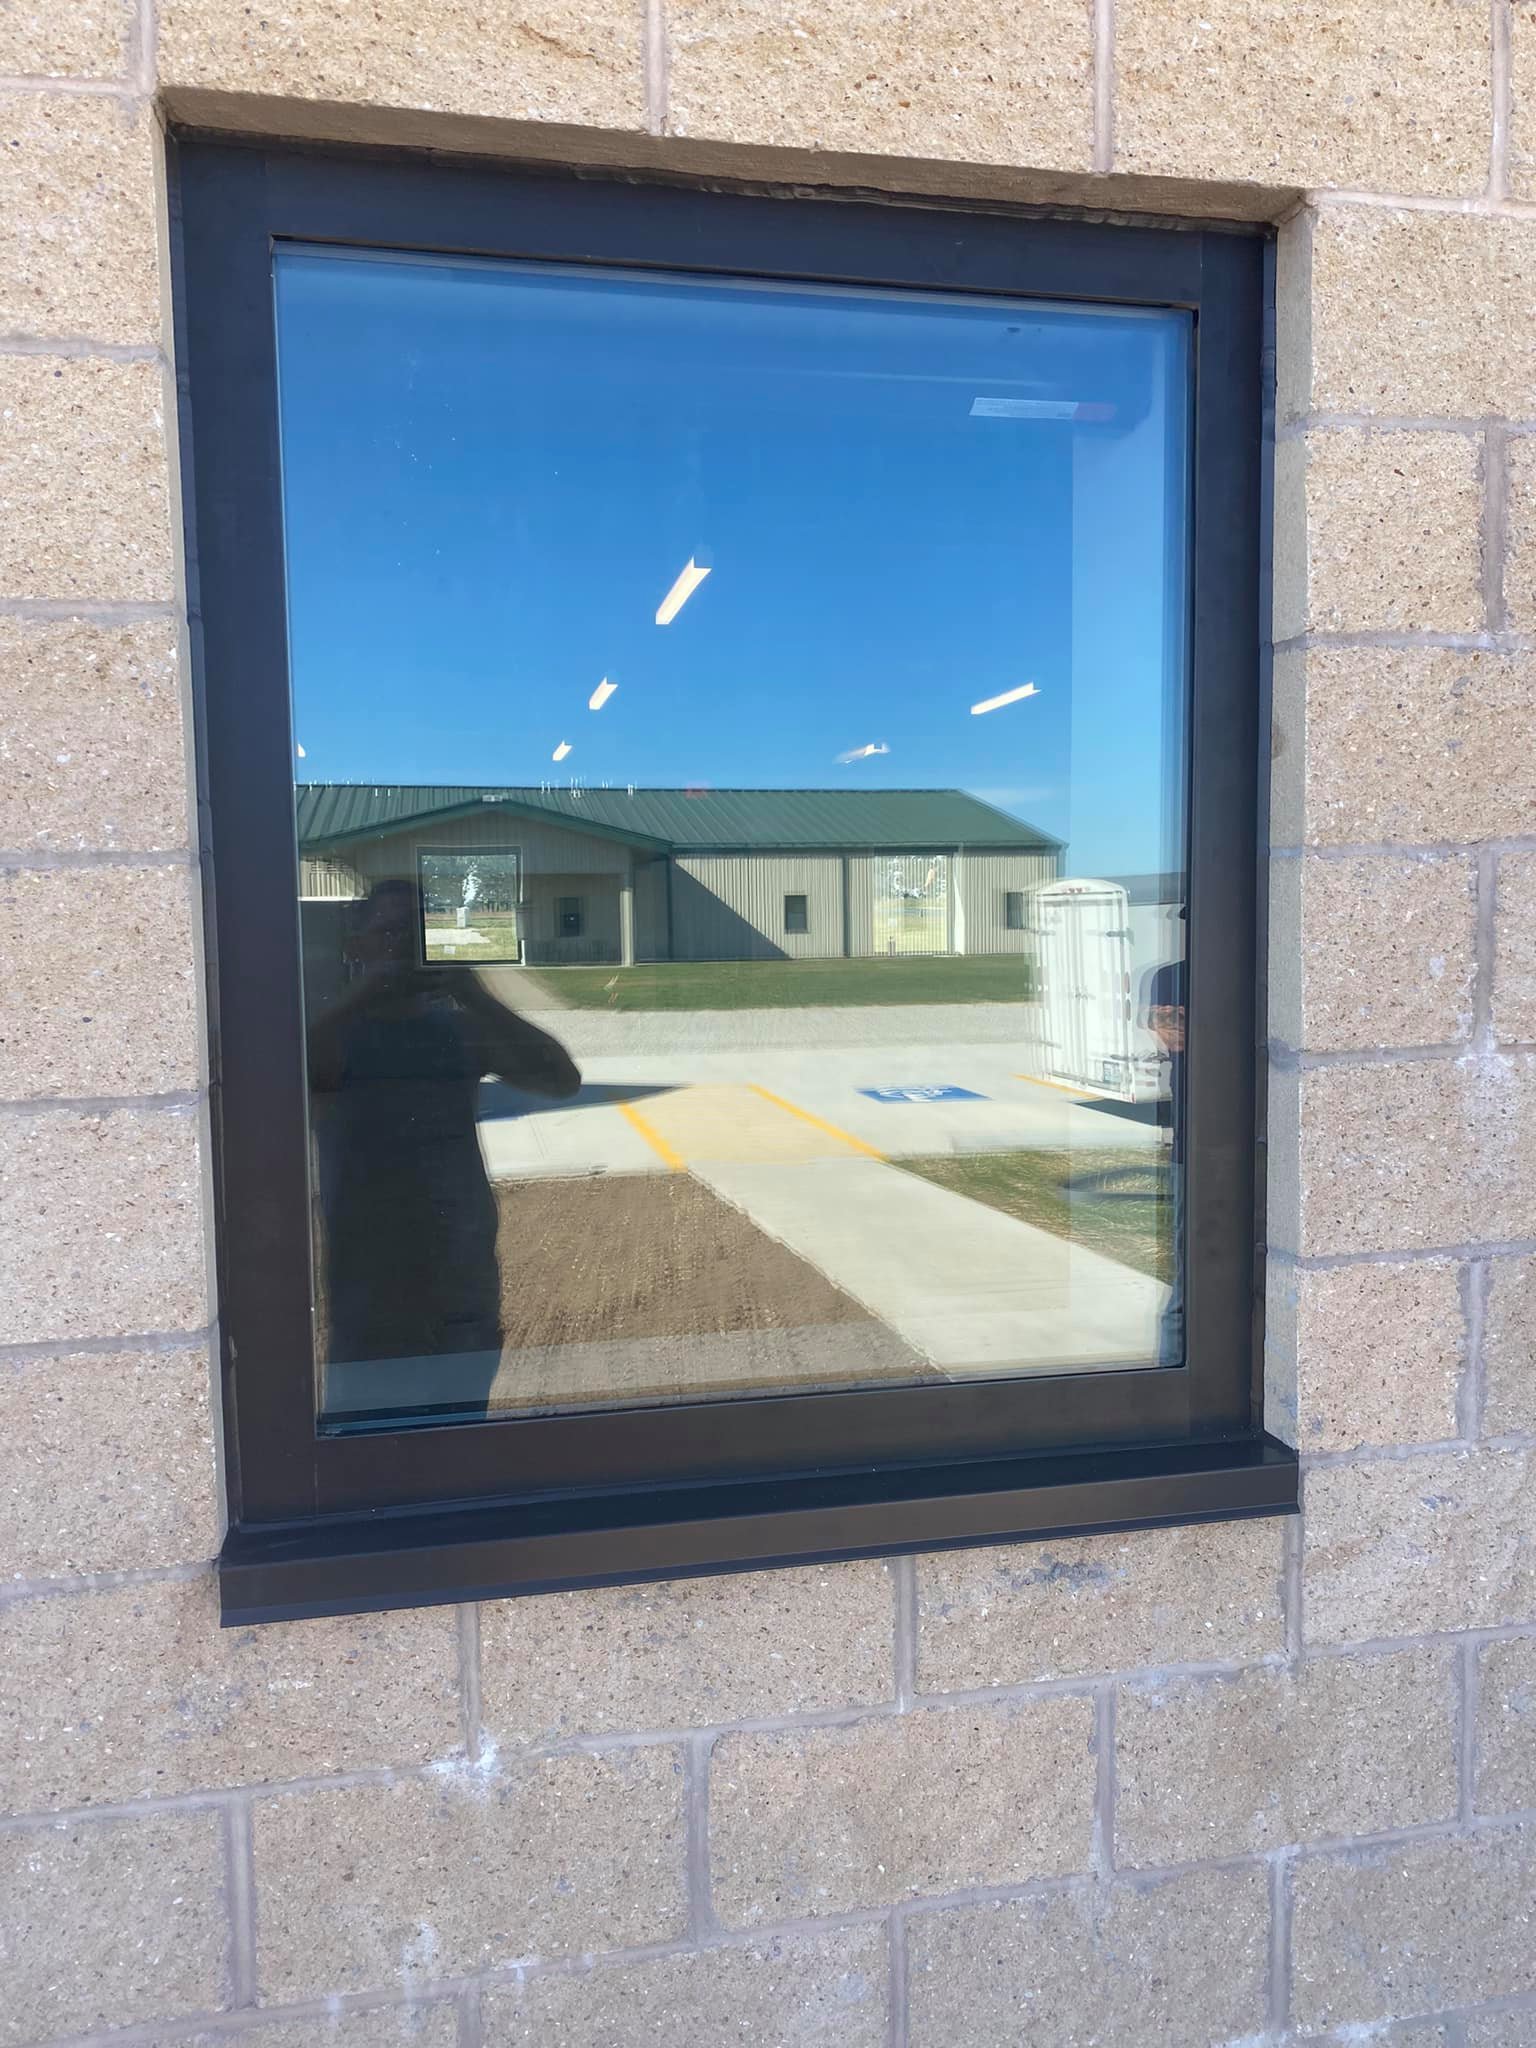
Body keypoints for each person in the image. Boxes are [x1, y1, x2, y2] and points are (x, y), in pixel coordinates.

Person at [307, 878, 579, 1421]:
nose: (403, 951)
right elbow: (288, 1076)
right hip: (367, 1271)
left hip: (460, 1264)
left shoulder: (456, 1029)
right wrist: (367, 993)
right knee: (360, 1429)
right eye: (388, 935)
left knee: (458, 1423)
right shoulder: (335, 1032)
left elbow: (558, 1078)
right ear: (355, 946)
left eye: (417, 939)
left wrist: (473, 992)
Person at [1144, 951, 1185, 1367]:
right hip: (1198, 1148)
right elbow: (1171, 1034)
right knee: (1188, 1281)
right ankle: (1171, 1375)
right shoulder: (1171, 977)